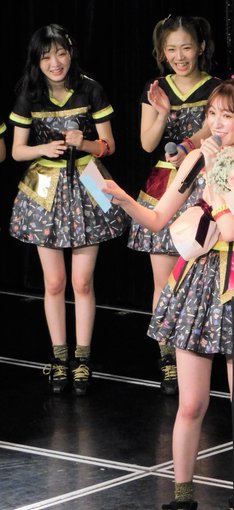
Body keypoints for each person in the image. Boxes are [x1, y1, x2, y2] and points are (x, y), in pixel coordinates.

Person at [105, 68, 234, 510]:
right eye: (212, 114)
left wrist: (218, 174)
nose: (216, 123)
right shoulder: (195, 159)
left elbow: (230, 227)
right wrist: (124, 198)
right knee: (190, 404)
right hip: (197, 281)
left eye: (227, 115)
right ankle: (182, 496)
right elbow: (157, 220)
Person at [8, 24, 127, 396]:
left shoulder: (91, 89)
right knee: (54, 282)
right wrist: (43, 149)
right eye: (46, 56)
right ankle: (59, 358)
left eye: (60, 53)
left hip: (89, 180)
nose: (55, 62)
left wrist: (85, 143)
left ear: (71, 53)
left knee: (82, 282)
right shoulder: (29, 93)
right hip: (44, 186)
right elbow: (17, 151)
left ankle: (83, 358)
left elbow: (109, 146)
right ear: (37, 60)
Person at [127, 15, 221, 395]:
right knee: (163, 281)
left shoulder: (216, 87)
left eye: (186, 47)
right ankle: (167, 357)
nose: (179, 56)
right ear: (162, 52)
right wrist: (163, 113)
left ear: (200, 47)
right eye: (171, 49)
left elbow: (217, 129)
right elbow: (147, 143)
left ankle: (198, 350)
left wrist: (188, 145)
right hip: (164, 187)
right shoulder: (156, 89)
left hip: (203, 186)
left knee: (202, 279)